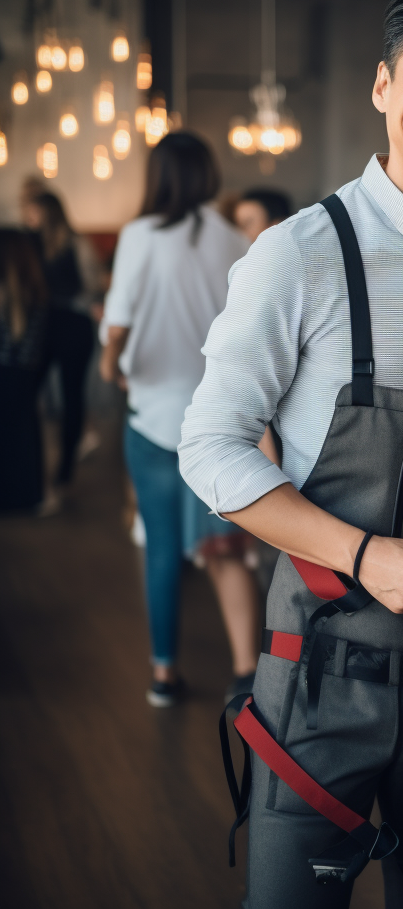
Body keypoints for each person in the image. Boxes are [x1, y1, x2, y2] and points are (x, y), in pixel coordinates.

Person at [178, 0, 403, 908]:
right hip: (325, 680)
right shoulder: (296, 255)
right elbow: (209, 446)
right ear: (383, 87)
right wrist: (363, 554)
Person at [99, 132, 260, 707]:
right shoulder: (231, 239)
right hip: (216, 421)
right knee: (223, 548)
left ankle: (164, 673)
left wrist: (109, 365)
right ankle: (247, 670)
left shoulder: (140, 235)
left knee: (163, 549)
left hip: (153, 417)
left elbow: (117, 323)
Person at [23, 191, 101, 491]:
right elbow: (92, 285)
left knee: (67, 397)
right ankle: (54, 469)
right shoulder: (41, 243)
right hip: (59, 326)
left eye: (33, 213)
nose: (29, 219)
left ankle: (62, 468)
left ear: (47, 213)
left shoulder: (71, 244)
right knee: (64, 397)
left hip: (60, 326)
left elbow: (92, 285)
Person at [0, 229, 50, 512]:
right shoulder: (36, 291)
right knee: (24, 436)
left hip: (8, 374)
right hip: (25, 377)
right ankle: (27, 497)